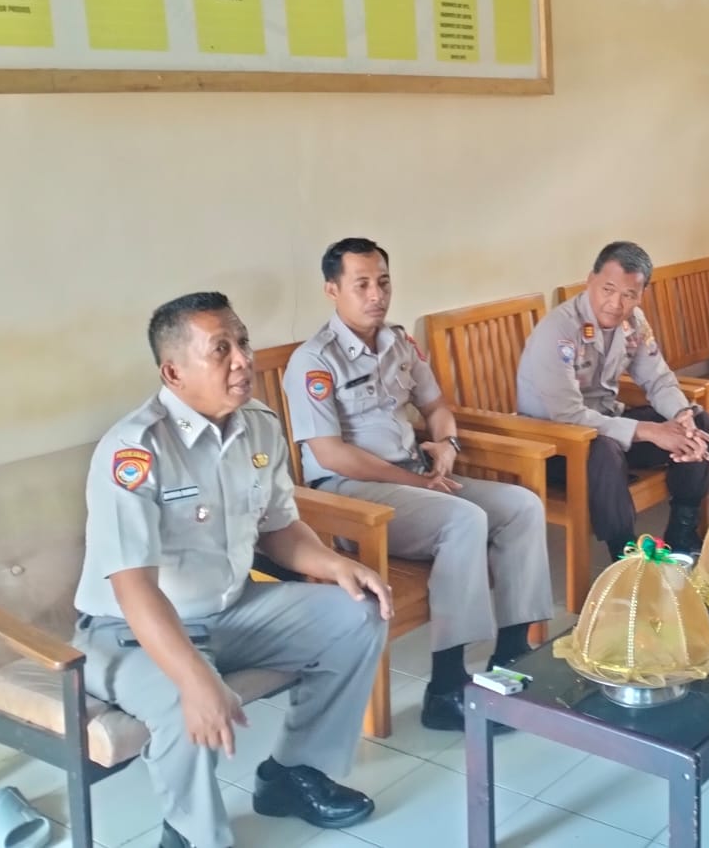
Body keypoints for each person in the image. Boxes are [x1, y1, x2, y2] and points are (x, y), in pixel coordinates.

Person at [75, 292, 392, 848]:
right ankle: (193, 833)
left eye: (242, 342)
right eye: (220, 349)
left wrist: (336, 564)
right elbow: (133, 589)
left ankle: (293, 774)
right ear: (173, 372)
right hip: (129, 632)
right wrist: (196, 678)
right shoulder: (135, 450)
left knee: (358, 613)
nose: (243, 359)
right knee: (182, 696)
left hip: (233, 610)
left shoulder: (259, 426)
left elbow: (279, 529)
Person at [283, 238, 553, 732]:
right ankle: (446, 689)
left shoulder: (399, 343)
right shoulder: (314, 361)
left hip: (416, 479)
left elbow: (436, 405)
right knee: (464, 521)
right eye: (361, 285)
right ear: (332, 290)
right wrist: (415, 481)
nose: (376, 295)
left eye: (383, 282)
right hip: (351, 497)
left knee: (522, 506)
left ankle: (512, 657)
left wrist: (446, 443)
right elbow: (330, 454)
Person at [517, 241, 709, 560]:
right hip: (554, 446)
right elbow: (568, 415)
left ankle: (682, 533)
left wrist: (682, 416)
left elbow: (657, 379)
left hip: (609, 428)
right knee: (605, 450)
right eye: (608, 289)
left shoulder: (633, 322)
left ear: (641, 295)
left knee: (698, 423)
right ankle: (624, 556)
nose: (615, 303)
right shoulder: (559, 330)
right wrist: (648, 431)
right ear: (590, 280)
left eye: (628, 295)